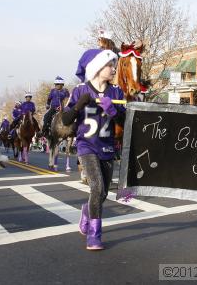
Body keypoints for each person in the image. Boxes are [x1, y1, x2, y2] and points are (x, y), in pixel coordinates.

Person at [62, 49, 125, 250]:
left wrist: (113, 111)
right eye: (110, 65)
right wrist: (79, 105)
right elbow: (65, 119)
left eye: (114, 65)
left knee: (103, 193)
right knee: (96, 188)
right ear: (97, 67)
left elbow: (124, 121)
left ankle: (86, 213)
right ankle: (94, 235)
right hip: (86, 146)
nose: (114, 69)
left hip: (107, 147)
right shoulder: (80, 90)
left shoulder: (116, 92)